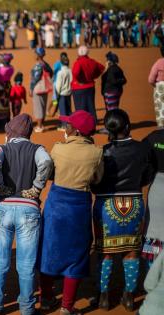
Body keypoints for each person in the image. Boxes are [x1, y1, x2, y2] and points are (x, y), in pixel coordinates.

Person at [0, 114, 53, 315]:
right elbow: (47, 163)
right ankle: (26, 307)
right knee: (26, 264)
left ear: (10, 132)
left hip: (2, 208)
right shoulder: (38, 149)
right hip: (29, 209)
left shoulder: (2, 148)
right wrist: (36, 188)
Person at [39, 110, 103, 315]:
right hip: (79, 206)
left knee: (48, 249)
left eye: (68, 125)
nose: (65, 128)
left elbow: (49, 174)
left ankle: (47, 298)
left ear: (75, 130)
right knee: (77, 254)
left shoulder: (58, 149)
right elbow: (97, 180)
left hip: (56, 204)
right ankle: (67, 306)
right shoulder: (97, 152)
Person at [91, 109, 151, 311]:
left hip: (106, 206)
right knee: (132, 252)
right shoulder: (142, 149)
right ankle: (128, 296)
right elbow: (147, 176)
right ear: (128, 126)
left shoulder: (103, 151)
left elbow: (95, 184)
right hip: (134, 203)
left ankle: (104, 297)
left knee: (105, 253)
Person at [142, 128, 164, 267]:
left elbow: (141, 158)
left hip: (157, 187)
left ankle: (152, 279)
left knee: (153, 234)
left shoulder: (153, 137)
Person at [71, 45, 105, 122]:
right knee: (90, 107)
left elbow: (75, 72)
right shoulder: (92, 61)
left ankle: (82, 124)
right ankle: (92, 123)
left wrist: (79, 80)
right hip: (90, 87)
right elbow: (101, 68)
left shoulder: (78, 62)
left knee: (80, 108)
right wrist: (94, 76)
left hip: (78, 88)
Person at [30, 47, 53, 133]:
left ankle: (39, 126)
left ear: (38, 55)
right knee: (43, 106)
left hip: (38, 88)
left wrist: (31, 89)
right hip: (44, 88)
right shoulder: (45, 64)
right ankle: (41, 124)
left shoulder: (38, 65)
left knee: (38, 107)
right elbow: (51, 72)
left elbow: (35, 79)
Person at [0, 53, 15, 129]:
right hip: (7, 86)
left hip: (0, 87)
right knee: (6, 104)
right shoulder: (11, 68)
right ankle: (6, 121)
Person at [55, 53, 73, 131]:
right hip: (69, 93)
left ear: (61, 63)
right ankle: (70, 124)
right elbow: (72, 81)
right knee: (69, 109)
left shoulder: (60, 73)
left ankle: (64, 126)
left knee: (62, 110)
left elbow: (58, 85)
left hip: (62, 94)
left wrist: (57, 93)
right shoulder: (70, 71)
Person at [149, 46, 164, 127]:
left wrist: (155, 85)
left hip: (160, 88)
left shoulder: (158, 62)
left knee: (160, 109)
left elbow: (151, 79)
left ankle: (162, 130)